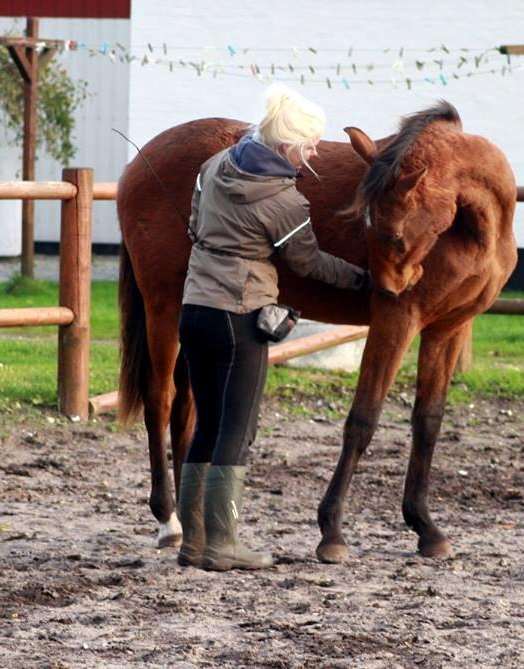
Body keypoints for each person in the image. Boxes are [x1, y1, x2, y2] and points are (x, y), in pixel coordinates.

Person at [176, 83, 368, 571]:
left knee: (207, 427)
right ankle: (224, 543)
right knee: (237, 432)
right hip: (240, 318)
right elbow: (309, 265)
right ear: (286, 147)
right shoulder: (286, 203)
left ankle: (193, 542)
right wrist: (364, 280)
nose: (311, 156)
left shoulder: (213, 167)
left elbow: (196, 226)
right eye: (307, 147)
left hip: (194, 308)